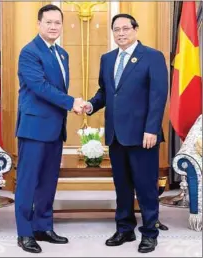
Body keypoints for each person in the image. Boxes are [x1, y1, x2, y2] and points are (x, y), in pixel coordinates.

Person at [84, 14, 168, 253]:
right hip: (116, 135)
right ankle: (124, 229)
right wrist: (91, 105)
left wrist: (152, 128)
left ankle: (150, 232)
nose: (121, 33)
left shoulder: (152, 57)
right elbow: (106, 92)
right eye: (116, 30)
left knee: (145, 186)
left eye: (125, 29)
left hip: (143, 135)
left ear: (135, 29)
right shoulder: (108, 59)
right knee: (122, 186)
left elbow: (158, 96)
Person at [15, 4, 86, 253]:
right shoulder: (29, 52)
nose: (54, 27)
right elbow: (40, 86)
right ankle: (25, 233)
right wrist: (72, 103)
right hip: (34, 128)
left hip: (55, 128)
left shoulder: (62, 53)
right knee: (27, 182)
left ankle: (43, 227)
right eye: (49, 22)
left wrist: (72, 104)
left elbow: (56, 87)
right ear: (39, 24)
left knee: (48, 181)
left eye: (58, 23)